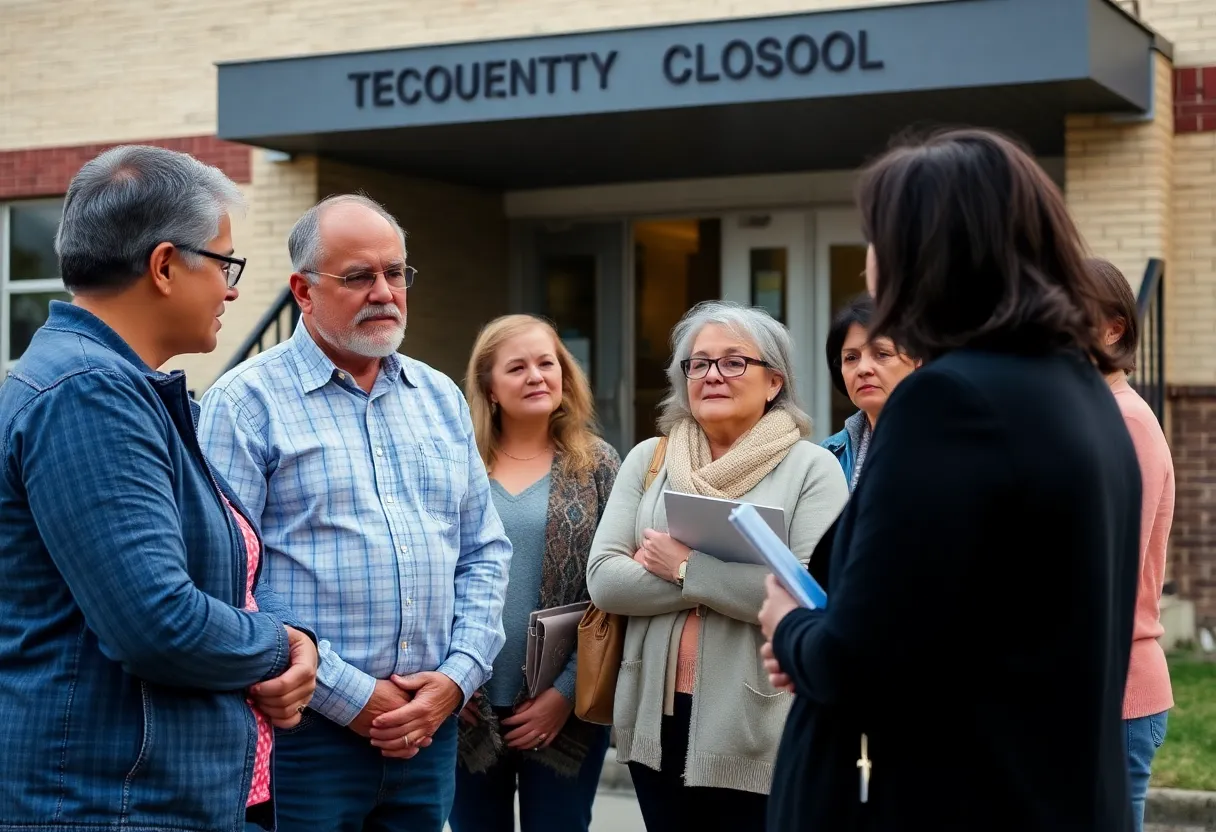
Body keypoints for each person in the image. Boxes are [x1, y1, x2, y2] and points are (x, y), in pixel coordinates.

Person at [758, 128, 1144, 832]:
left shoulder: (949, 402)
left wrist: (789, 629)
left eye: (878, 237)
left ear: (925, 252)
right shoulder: (1079, 390)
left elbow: (860, 660)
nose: (871, 261)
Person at [0, 145, 318, 832]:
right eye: (226, 264)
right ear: (166, 265)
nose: (233, 290)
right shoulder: (88, 396)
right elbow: (158, 622)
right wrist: (281, 645)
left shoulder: (120, 389)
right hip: (109, 804)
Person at [198, 193, 513, 832]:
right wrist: (354, 698)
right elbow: (225, 583)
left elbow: (484, 551)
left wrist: (454, 680)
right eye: (359, 276)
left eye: (395, 273)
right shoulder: (245, 404)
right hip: (305, 735)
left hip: (429, 732)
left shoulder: (440, 396)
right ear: (303, 291)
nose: (385, 292)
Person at [586, 300, 849, 831]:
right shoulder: (649, 459)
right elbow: (606, 581)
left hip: (760, 720)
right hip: (653, 718)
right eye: (698, 363)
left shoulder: (811, 468)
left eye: (733, 362)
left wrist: (683, 567)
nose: (712, 375)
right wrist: (740, 582)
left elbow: (807, 595)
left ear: (773, 381)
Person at [450, 314, 621, 832]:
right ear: (489, 387)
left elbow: (614, 593)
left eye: (547, 363)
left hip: (562, 711)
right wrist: (449, 684)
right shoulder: (457, 464)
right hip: (466, 708)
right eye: (517, 367)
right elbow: (425, 579)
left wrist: (564, 695)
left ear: (565, 376)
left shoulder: (598, 465)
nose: (536, 376)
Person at [1087, 257, 1175, 832]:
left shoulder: (1128, 421)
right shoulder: (1094, 414)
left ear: (1114, 327)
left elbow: (1105, 566)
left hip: (1117, 692)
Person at [821, 293, 918, 488]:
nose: (863, 369)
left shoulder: (953, 441)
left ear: (918, 361)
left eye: (882, 354)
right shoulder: (829, 455)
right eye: (851, 358)